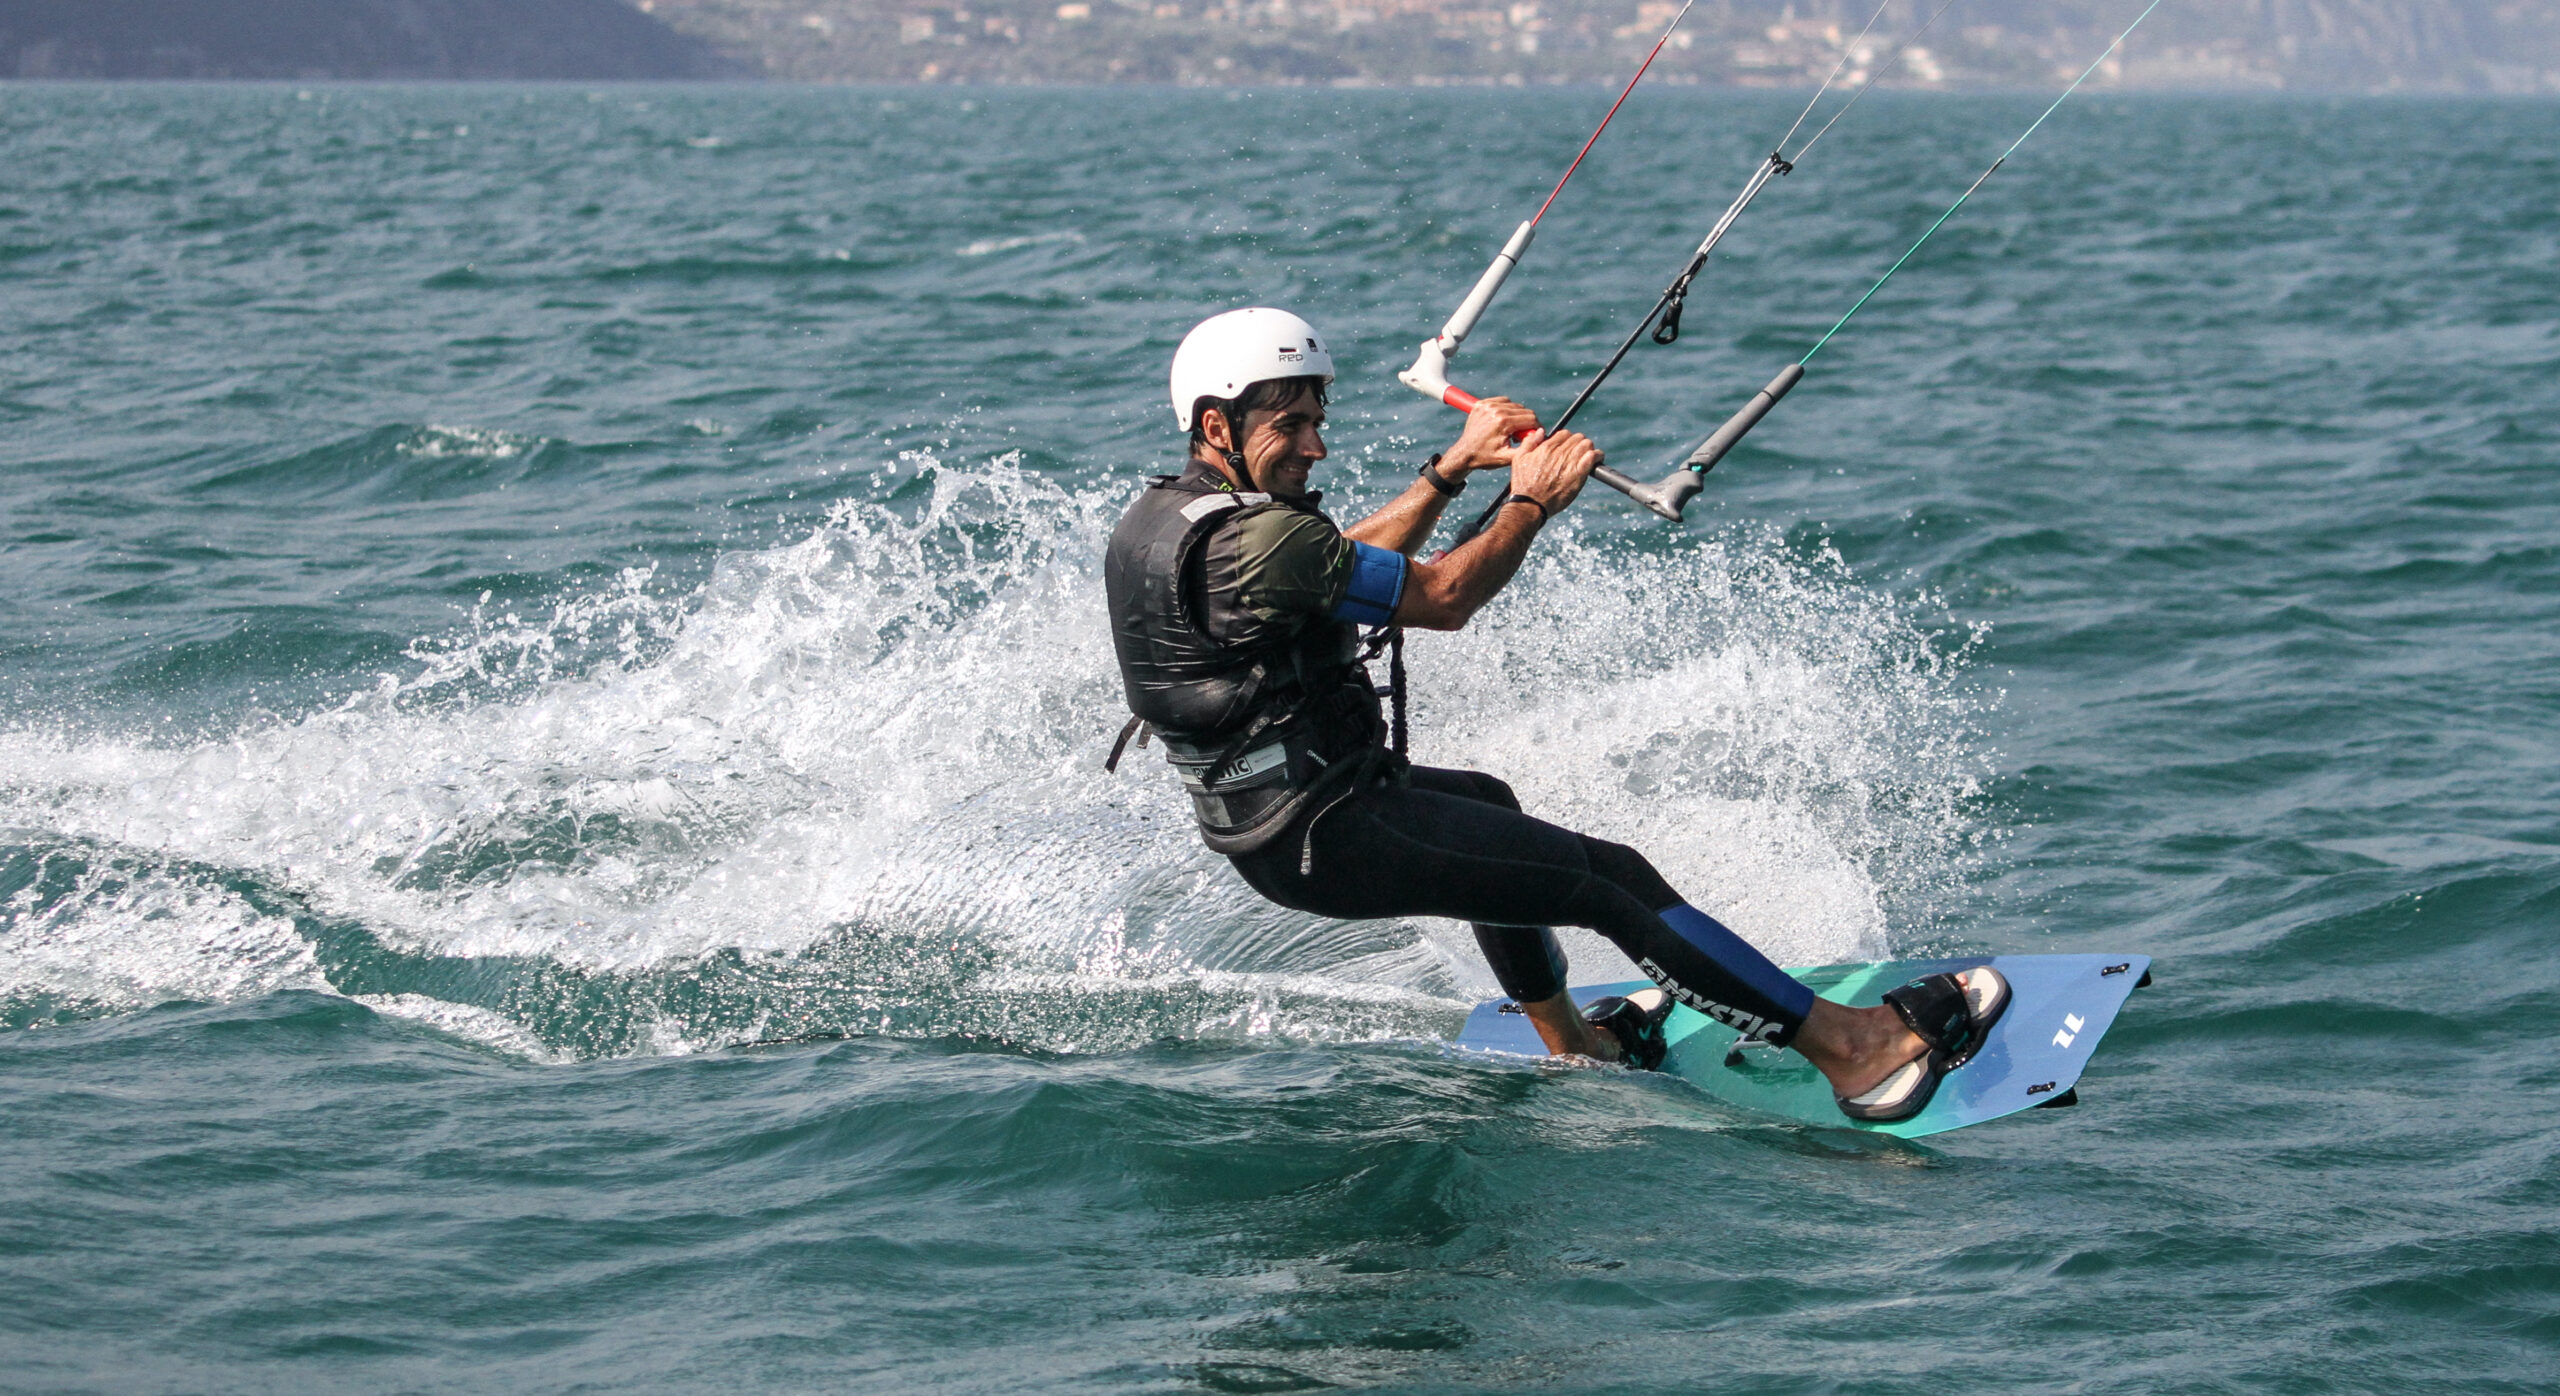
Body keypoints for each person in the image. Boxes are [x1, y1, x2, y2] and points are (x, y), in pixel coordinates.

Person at [1103, 307, 2006, 1121]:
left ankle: (1572, 1041)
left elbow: (1332, 567)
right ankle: (1857, 1053)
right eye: (1290, 426)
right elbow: (1446, 596)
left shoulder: (1174, 519)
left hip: (1278, 828)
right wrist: (1532, 498)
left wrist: (1451, 470)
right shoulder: (1259, 535)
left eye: (1318, 421)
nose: (1316, 447)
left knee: (1490, 801)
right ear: (1217, 424)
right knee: (1611, 882)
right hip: (1329, 830)